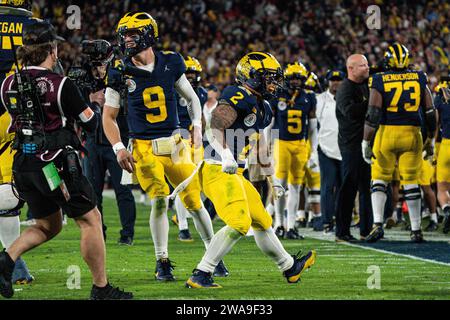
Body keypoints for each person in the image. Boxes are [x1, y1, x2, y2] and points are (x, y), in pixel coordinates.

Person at [0, 20, 132, 299]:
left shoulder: (8, 82)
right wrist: (93, 103)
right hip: (54, 165)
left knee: (50, 225)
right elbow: (91, 123)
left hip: (23, 164)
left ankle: (5, 262)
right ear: (52, 49)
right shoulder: (61, 84)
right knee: (91, 219)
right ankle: (101, 288)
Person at [103, 12, 225, 281]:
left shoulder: (170, 61)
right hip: (144, 147)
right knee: (159, 199)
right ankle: (162, 261)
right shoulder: (120, 69)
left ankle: (213, 255)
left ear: (148, 34)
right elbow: (108, 116)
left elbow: (193, 100)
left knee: (194, 201)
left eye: (132, 34)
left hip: (175, 143)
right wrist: (118, 147)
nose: (127, 40)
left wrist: (195, 127)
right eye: (124, 35)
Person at [185, 52, 316, 288]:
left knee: (263, 220)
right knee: (238, 223)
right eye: (269, 77)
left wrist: (272, 178)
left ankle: (289, 266)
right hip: (217, 168)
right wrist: (225, 154)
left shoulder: (263, 107)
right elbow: (215, 128)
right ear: (252, 77)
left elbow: (260, 144)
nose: (274, 83)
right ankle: (202, 273)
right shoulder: (237, 95)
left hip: (236, 172)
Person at [362, 43, 437, 243]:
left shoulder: (379, 79)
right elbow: (430, 111)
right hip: (412, 135)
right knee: (411, 181)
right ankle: (415, 229)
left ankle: (378, 224)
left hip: (387, 134)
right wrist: (431, 137)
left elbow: (374, 113)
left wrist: (365, 140)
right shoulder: (419, 77)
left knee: (379, 179)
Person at [80, 40, 137, 245]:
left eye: (102, 63)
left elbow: (132, 106)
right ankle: (98, 232)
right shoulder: (84, 78)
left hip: (117, 141)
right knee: (93, 191)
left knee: (123, 190)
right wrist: (92, 101)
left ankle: (127, 234)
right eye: (96, 64)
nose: (99, 68)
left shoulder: (122, 75)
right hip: (93, 141)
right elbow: (78, 109)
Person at [0, 0, 35, 285]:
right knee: (7, 197)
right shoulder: (31, 28)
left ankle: (14, 263)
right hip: (13, 115)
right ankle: (15, 262)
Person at [270, 62, 318, 240]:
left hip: (300, 145)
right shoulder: (278, 95)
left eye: (299, 78)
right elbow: (270, 123)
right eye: (293, 78)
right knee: (280, 185)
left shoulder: (309, 98)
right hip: (282, 143)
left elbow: (313, 128)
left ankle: (291, 225)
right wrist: (266, 145)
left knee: (296, 186)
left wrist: (313, 151)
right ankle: (278, 223)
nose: (296, 82)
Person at [335, 54, 373, 242]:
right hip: (351, 144)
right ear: (351, 68)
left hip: (365, 143)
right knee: (349, 186)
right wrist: (372, 104)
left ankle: (367, 230)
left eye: (367, 64)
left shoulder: (364, 84)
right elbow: (350, 112)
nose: (367, 68)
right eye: (363, 65)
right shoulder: (345, 89)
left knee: (367, 186)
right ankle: (341, 231)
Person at [173, 55, 208, 242]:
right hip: (180, 138)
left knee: (198, 182)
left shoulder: (201, 93)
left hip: (196, 140)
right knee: (184, 182)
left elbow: (201, 117)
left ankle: (183, 219)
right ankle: (183, 226)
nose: (192, 78)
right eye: (189, 74)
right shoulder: (175, 91)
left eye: (194, 74)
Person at [315, 70, 344, 234]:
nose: (335, 83)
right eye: (333, 80)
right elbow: (313, 126)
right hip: (325, 149)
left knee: (343, 188)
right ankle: (327, 221)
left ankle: (340, 220)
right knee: (327, 186)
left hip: (344, 149)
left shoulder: (348, 98)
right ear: (327, 81)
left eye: (338, 79)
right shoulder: (319, 100)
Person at [434, 78, 450, 233]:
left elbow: (435, 123)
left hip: (446, 145)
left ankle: (447, 209)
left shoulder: (441, 94)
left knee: (442, 187)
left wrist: (431, 144)